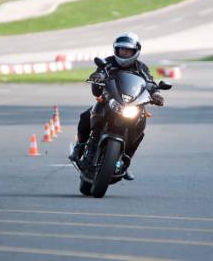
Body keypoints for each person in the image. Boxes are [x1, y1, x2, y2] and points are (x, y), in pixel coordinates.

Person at [69, 32, 164, 180]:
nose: (124, 53)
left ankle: (125, 162)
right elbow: (100, 71)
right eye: (121, 50)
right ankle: (79, 147)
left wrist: (156, 94)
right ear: (116, 50)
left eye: (128, 50)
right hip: (110, 101)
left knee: (141, 129)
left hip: (132, 105)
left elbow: (150, 83)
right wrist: (98, 76)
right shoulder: (108, 62)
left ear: (136, 51)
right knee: (85, 116)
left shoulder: (141, 68)